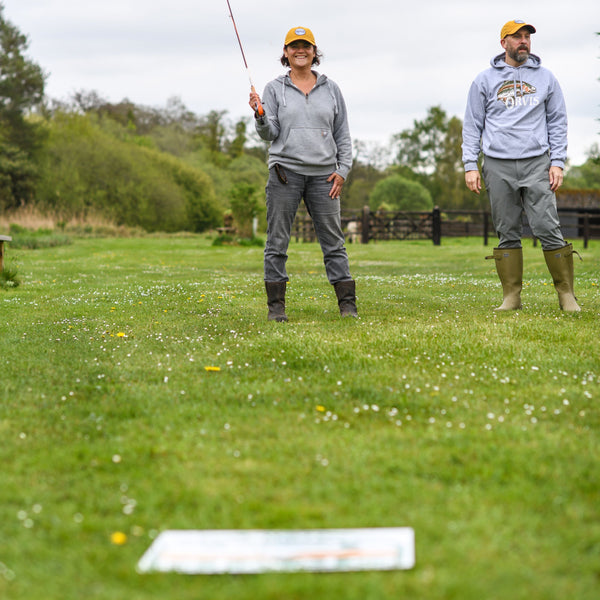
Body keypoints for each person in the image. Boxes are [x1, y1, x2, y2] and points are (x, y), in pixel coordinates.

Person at [462, 19, 581, 312]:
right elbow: (472, 125)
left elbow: (557, 121)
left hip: (536, 162)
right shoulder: (484, 80)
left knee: (547, 226)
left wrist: (557, 162)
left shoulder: (547, 79)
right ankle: (511, 297)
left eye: (527, 36)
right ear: (504, 43)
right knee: (506, 230)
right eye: (517, 37)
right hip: (497, 164)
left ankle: (566, 295)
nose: (523, 41)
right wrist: (470, 164)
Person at [249, 26, 357, 321]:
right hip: (285, 173)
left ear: (314, 51)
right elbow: (269, 133)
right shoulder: (274, 89)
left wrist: (342, 171)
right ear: (285, 53)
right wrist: (259, 115)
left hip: (325, 177)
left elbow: (343, 135)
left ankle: (348, 306)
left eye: (306, 46)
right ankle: (276, 309)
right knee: (277, 242)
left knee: (334, 242)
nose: (300, 50)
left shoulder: (331, 88)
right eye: (294, 46)